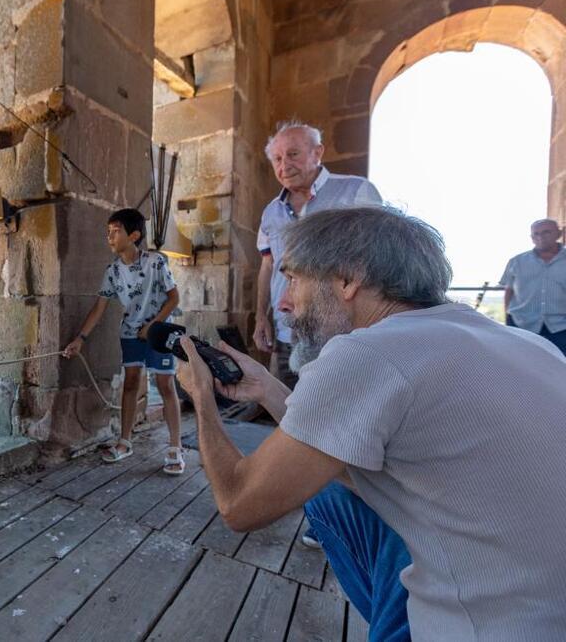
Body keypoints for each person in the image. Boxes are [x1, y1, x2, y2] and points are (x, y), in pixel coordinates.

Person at [178, 207, 566, 641]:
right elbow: (335, 438)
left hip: (491, 627)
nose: (285, 302)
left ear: (347, 279)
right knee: (329, 493)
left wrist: (202, 399)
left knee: (325, 498)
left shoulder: (368, 353)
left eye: (295, 278)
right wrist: (268, 388)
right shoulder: (525, 343)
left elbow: (239, 504)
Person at [255, 120, 383, 388]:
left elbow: (375, 262)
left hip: (338, 332)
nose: (284, 165)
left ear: (317, 152)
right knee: (289, 411)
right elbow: (267, 266)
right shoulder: (270, 212)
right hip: (287, 330)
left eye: (293, 154)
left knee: (336, 413)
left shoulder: (356, 193)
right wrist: (260, 316)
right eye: (277, 159)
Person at [63, 208, 185, 474]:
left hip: (160, 334)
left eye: (115, 231)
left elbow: (174, 298)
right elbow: (99, 307)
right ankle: (125, 441)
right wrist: (80, 339)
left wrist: (153, 326)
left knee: (165, 384)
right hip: (130, 333)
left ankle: (175, 447)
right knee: (130, 384)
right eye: (107, 232)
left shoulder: (156, 262)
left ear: (134, 235)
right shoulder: (112, 271)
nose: (109, 236)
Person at [500, 218, 566, 355]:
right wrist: (507, 317)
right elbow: (509, 291)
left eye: (546, 232)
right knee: (521, 366)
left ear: (559, 234)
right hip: (522, 325)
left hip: (561, 326)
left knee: (561, 368)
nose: (540, 237)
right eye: (536, 234)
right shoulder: (516, 261)